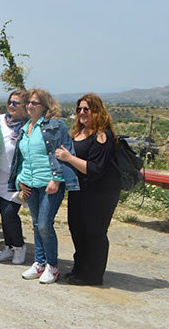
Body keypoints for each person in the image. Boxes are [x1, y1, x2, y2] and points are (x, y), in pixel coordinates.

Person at [8, 88, 78, 284]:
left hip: (49, 185)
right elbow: (21, 159)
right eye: (28, 102)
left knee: (45, 225)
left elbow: (65, 152)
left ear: (45, 106)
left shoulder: (55, 126)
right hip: (30, 184)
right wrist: (19, 180)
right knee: (37, 224)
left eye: (34, 103)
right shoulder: (24, 128)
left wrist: (56, 179)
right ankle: (39, 262)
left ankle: (53, 266)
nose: (29, 106)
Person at [55, 93, 121, 286]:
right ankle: (80, 268)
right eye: (79, 109)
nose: (82, 113)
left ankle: (93, 274)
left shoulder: (102, 136)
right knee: (77, 228)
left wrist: (69, 158)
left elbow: (96, 169)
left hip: (100, 192)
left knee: (94, 232)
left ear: (97, 111)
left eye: (87, 109)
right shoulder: (78, 133)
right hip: (79, 189)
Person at [0, 89, 28, 264]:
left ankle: (20, 246)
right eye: (10, 102)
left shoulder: (28, 127)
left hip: (17, 178)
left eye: (16, 103)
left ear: (25, 107)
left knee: (9, 213)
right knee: (2, 212)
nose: (11, 106)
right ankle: (9, 246)